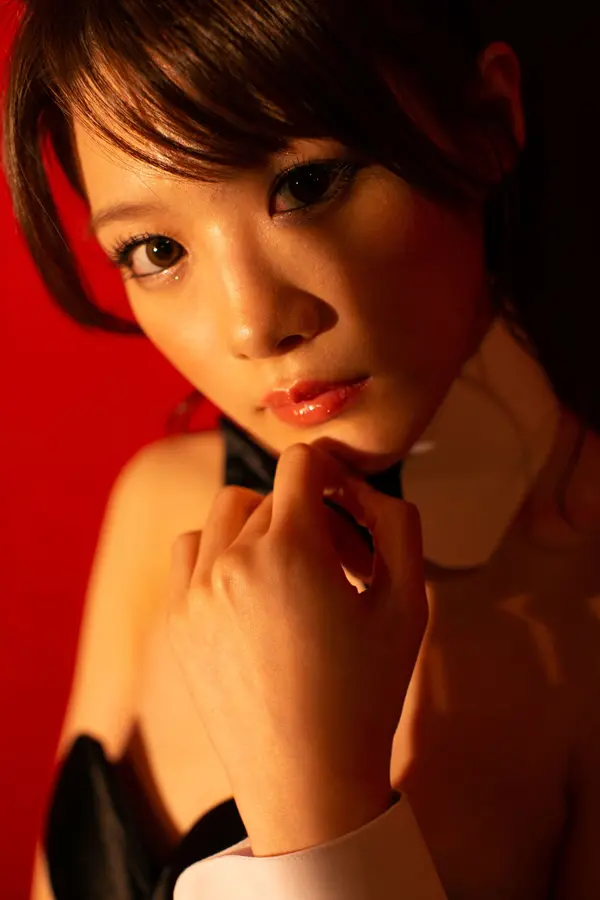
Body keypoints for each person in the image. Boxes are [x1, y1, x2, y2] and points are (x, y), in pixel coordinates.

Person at [4, 0, 600, 897]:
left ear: (486, 122)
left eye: (307, 184)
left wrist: (319, 807)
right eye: (157, 249)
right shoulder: (161, 509)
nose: (252, 324)